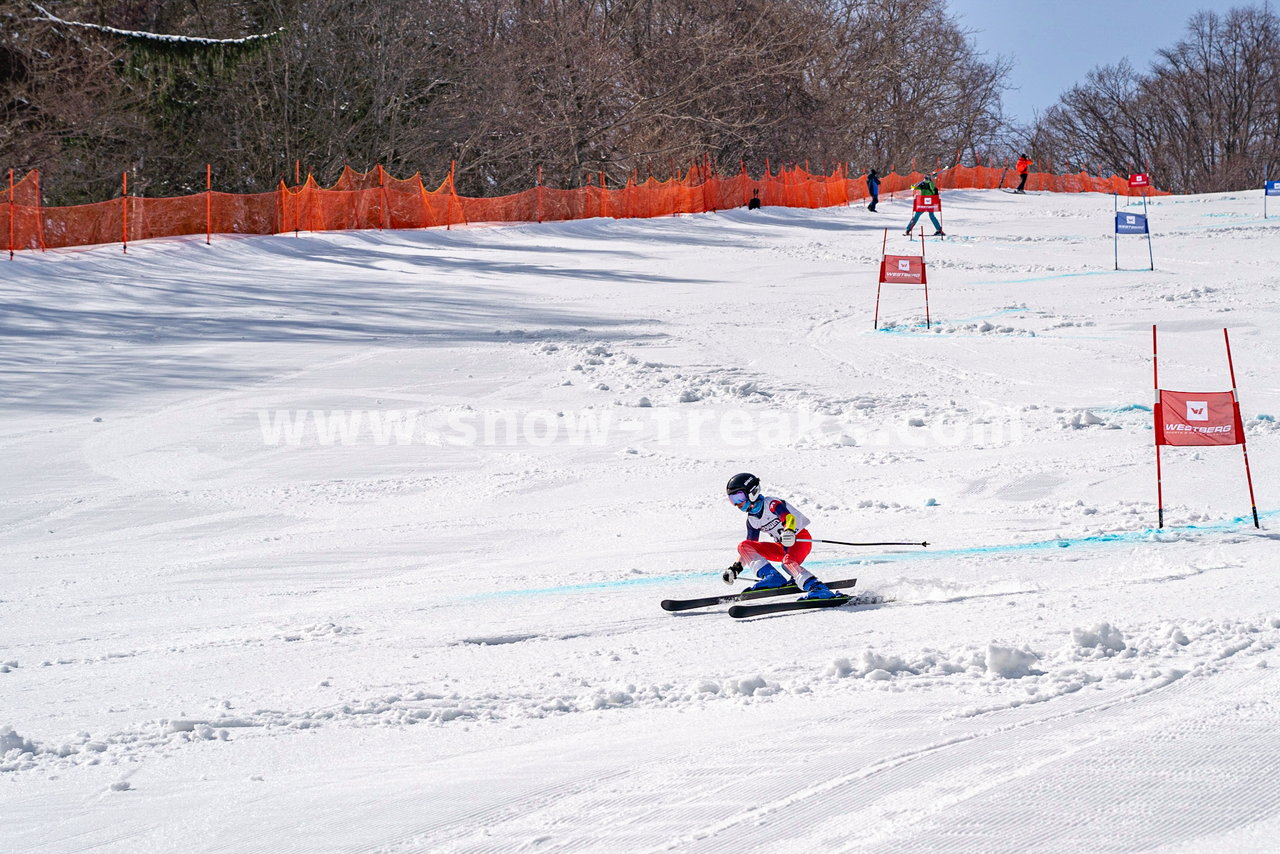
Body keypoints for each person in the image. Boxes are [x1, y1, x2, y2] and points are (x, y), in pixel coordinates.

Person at [721, 473, 845, 600]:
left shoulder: (771, 504)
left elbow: (788, 517)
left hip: (799, 539)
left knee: (787, 562)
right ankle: (772, 577)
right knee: (744, 546)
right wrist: (735, 569)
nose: (737, 504)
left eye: (739, 497)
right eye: (733, 500)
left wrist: (789, 530)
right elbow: (749, 549)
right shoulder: (752, 519)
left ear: (752, 492)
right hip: (782, 546)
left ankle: (818, 588)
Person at [903, 172, 943, 236]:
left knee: (931, 216)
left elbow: (932, 187)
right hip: (923, 203)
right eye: (925, 178)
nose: (926, 180)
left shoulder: (931, 184)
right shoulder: (922, 184)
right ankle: (908, 229)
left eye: (927, 178)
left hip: (930, 203)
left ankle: (939, 230)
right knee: (917, 216)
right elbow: (912, 188)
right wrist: (914, 186)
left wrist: (930, 180)